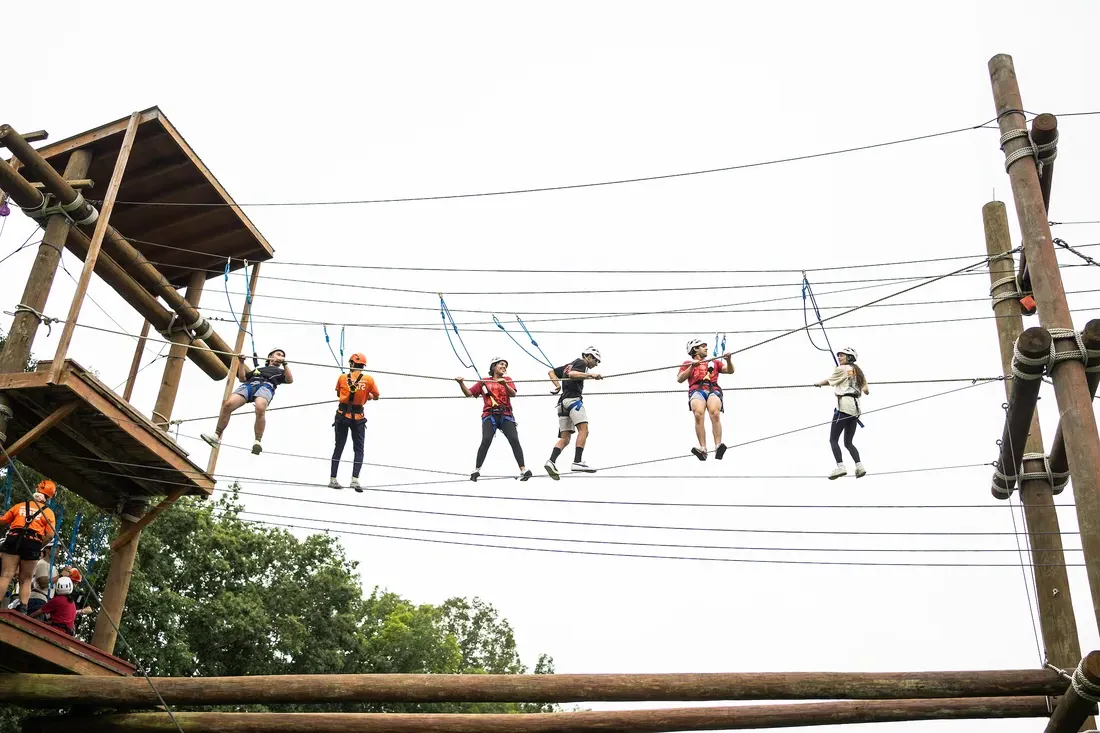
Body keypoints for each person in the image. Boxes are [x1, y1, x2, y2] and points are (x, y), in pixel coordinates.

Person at [202, 349, 294, 455]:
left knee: (260, 407)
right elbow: (242, 378)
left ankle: (257, 441)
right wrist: (241, 362)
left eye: (282, 356)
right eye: (278, 354)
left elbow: (290, 380)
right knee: (228, 405)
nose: (280, 357)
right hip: (249, 385)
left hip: (266, 386)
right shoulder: (258, 369)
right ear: (270, 357)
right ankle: (216, 436)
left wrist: (285, 363)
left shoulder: (281, 372)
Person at [456, 357, 532, 482]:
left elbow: (513, 393)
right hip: (489, 414)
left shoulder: (507, 380)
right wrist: (461, 383)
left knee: (514, 439)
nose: (504, 367)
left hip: (505, 414)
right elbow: (469, 393)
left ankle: (524, 470)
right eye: (501, 364)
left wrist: (504, 384)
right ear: (493, 367)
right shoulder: (484, 381)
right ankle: (476, 470)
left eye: (505, 365)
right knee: (486, 439)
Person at [544, 347, 602, 479]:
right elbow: (572, 375)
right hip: (573, 401)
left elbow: (551, 372)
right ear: (588, 356)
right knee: (584, 430)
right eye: (596, 360)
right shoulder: (581, 363)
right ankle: (577, 461)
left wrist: (557, 385)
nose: (596, 364)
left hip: (562, 404)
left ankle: (551, 461)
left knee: (565, 438)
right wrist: (591, 375)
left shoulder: (568, 366)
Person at [0, 480, 56, 613]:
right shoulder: (48, 513)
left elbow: (2, 521)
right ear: (49, 497)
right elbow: (49, 536)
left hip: (13, 538)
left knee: (6, 575)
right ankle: (23, 608)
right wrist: (39, 547)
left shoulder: (19, 506)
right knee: (26, 579)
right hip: (33, 542)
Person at [815, 346, 869, 479]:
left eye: (842, 356)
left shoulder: (841, 369)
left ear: (849, 357)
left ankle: (841, 467)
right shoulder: (858, 372)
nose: (839, 357)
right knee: (848, 442)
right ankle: (859, 466)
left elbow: (830, 381)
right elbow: (866, 390)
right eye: (838, 356)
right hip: (855, 410)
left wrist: (819, 383)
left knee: (833, 439)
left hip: (844, 407)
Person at [677, 339, 735, 461]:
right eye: (703, 346)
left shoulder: (714, 363)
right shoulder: (687, 363)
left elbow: (730, 371)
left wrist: (728, 360)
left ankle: (718, 445)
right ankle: (703, 448)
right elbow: (680, 378)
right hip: (697, 390)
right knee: (698, 414)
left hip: (712, 389)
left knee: (715, 413)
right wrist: (691, 367)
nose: (706, 348)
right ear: (695, 349)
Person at [329, 353, 379, 491]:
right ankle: (355, 480)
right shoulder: (369, 380)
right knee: (359, 449)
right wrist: (365, 396)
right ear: (363, 366)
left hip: (342, 415)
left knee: (339, 447)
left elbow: (339, 394)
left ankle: (333, 479)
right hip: (358, 418)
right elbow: (376, 396)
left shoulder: (342, 377)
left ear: (351, 364)